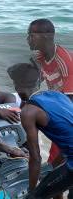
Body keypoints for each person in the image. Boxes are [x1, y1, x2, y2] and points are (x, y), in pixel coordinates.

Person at [8, 63, 73, 199]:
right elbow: (68, 133)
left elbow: (36, 158)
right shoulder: (57, 95)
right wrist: (53, 166)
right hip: (70, 158)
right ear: (38, 81)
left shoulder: (28, 112)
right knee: (56, 183)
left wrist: (32, 192)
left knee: (36, 195)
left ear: (16, 86)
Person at [27, 18, 73, 169]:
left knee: (55, 163)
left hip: (66, 109)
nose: (28, 38)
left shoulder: (65, 62)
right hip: (60, 104)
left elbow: (69, 102)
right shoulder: (39, 58)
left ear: (46, 36)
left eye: (31, 34)